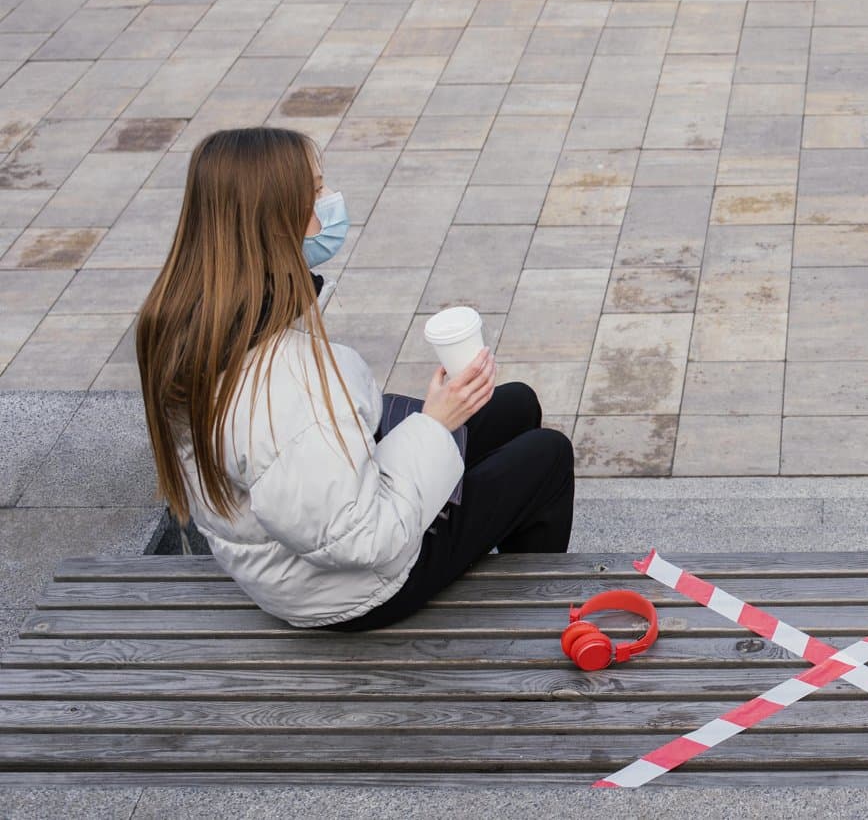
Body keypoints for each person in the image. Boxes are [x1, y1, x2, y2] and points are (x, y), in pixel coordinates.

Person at [136, 127, 574, 631]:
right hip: (352, 590)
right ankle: (525, 626)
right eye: (315, 193)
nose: (328, 206)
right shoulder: (285, 382)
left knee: (515, 405)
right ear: (275, 220)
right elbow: (362, 540)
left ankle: (486, 551)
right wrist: (433, 425)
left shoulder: (196, 320)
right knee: (547, 457)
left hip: (288, 552)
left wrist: (430, 421)